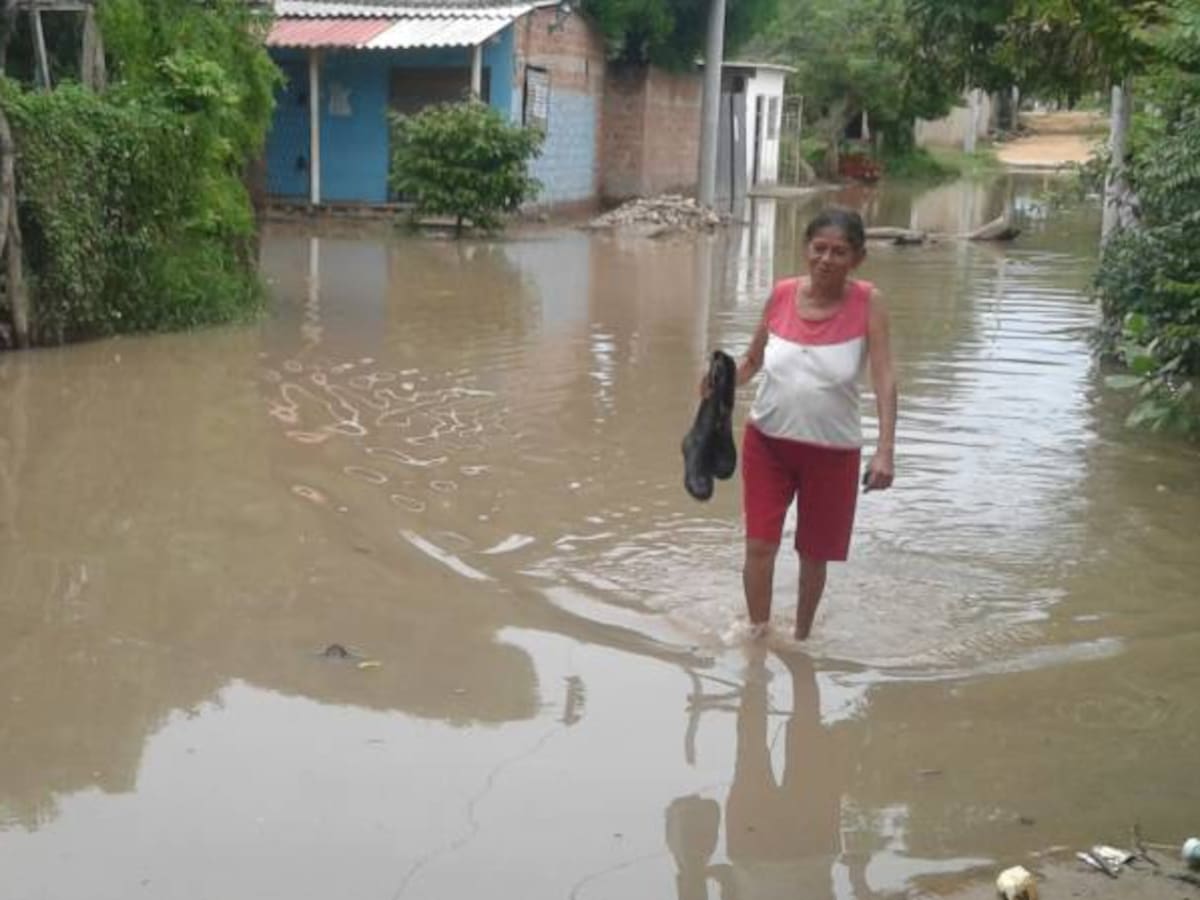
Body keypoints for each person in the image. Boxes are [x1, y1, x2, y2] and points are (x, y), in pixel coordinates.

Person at [722, 207, 897, 640]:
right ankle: (758, 635)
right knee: (759, 545)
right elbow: (752, 362)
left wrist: (885, 451)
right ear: (805, 249)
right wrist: (720, 382)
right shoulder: (782, 294)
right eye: (819, 248)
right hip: (768, 444)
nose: (826, 259)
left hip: (833, 454)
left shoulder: (868, 303)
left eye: (839, 252)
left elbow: (884, 377)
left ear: (857, 258)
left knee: (814, 556)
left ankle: (801, 638)